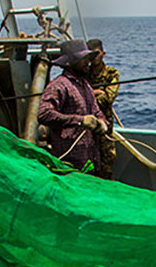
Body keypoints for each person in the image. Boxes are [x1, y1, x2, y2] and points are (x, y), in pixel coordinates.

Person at [37, 39, 109, 175]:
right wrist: (81, 121)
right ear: (68, 62)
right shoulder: (59, 85)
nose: (87, 62)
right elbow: (44, 114)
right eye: (83, 59)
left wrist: (101, 123)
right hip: (69, 164)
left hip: (90, 162)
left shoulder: (86, 86)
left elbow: (96, 111)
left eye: (88, 58)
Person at [85, 39, 120, 179]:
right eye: (91, 54)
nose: (94, 58)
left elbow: (108, 98)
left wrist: (88, 96)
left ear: (103, 54)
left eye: (97, 54)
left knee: (106, 165)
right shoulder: (84, 73)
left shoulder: (111, 74)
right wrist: (95, 92)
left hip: (104, 127)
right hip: (86, 129)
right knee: (87, 167)